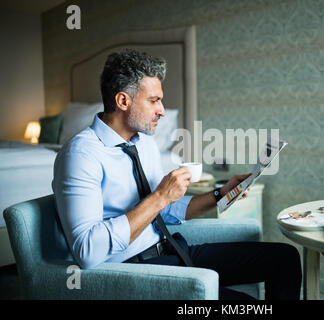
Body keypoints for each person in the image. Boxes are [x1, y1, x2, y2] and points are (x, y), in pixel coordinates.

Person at [52, 49, 301, 300]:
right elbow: (87, 251)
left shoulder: (144, 144)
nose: (161, 110)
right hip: (133, 269)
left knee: (285, 258)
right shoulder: (81, 154)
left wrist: (220, 194)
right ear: (123, 101)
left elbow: (164, 212)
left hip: (172, 251)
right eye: (153, 100)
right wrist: (160, 196)